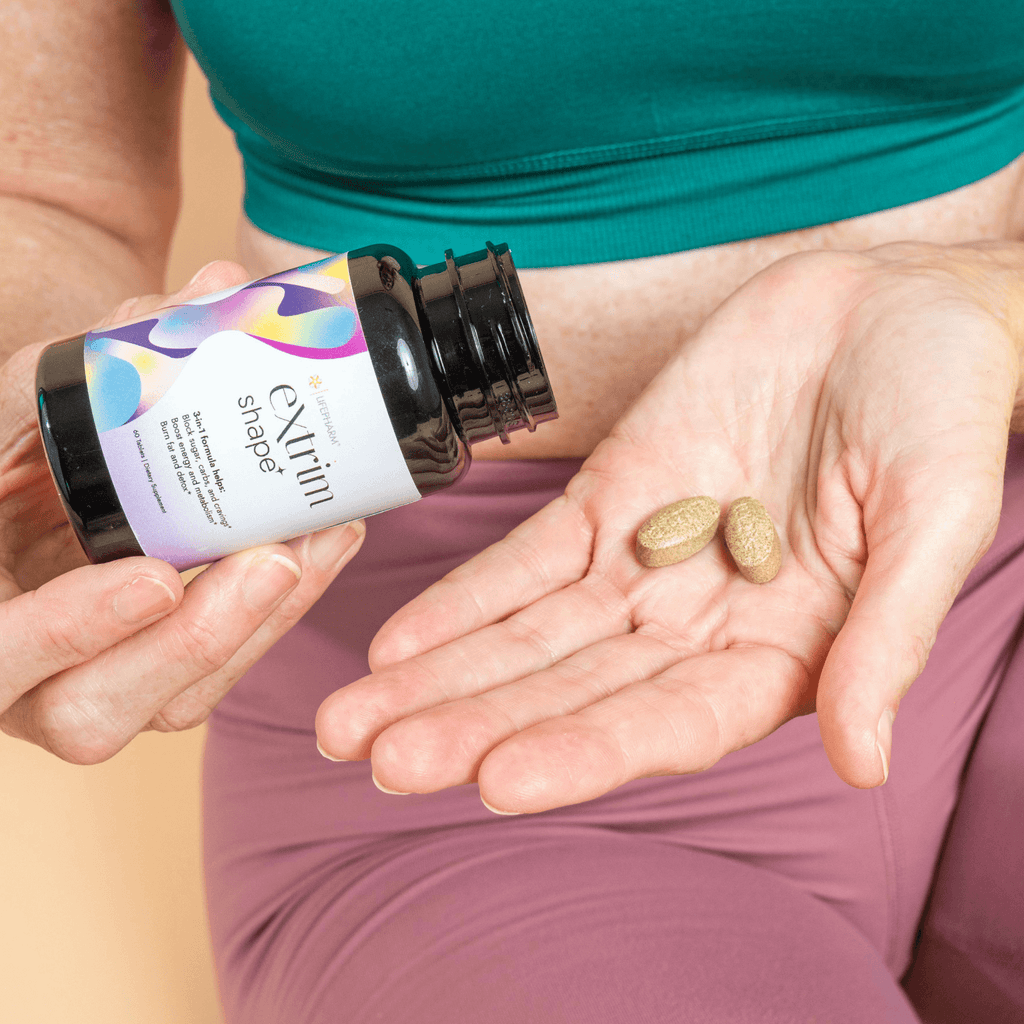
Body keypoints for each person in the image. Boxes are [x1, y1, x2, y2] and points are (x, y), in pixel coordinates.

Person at [2, 0, 1023, 1020]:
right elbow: (45, 193)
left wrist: (981, 298)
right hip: (456, 672)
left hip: (993, 474)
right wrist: (44, 456)